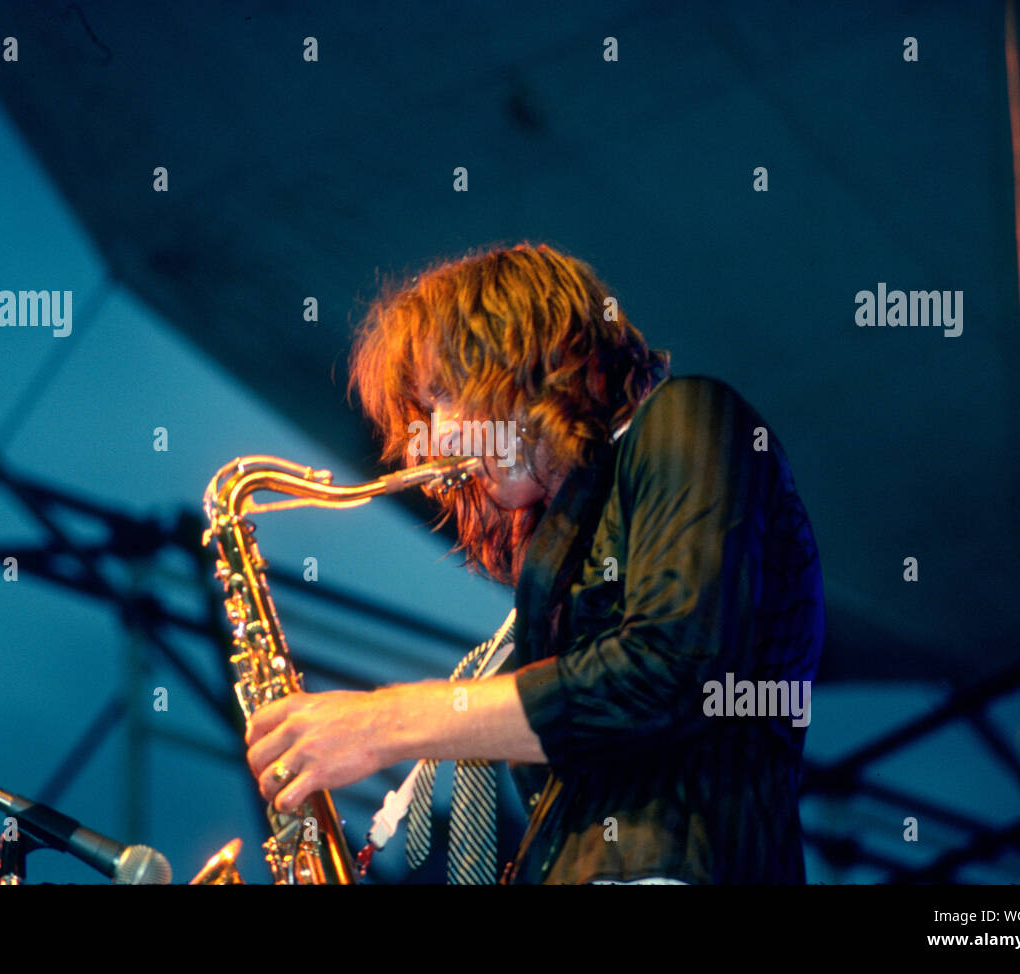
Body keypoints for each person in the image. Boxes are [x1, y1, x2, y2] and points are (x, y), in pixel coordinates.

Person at [244, 242, 825, 884]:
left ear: (521, 357)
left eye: (444, 396)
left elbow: (669, 671)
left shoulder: (689, 415)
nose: (432, 440)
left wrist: (384, 723)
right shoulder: (569, 556)